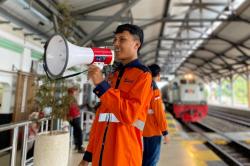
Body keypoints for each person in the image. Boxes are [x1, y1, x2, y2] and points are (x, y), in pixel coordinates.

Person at [79, 24, 153, 166]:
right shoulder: (114, 75)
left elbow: (129, 114)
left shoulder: (143, 76)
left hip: (124, 156)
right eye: (115, 40)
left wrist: (102, 85)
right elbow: (100, 118)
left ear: (136, 44)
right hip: (101, 156)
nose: (116, 44)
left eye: (122, 39)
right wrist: (88, 155)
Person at [142, 64, 169, 166]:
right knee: (152, 161)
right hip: (153, 131)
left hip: (142, 129)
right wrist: (165, 132)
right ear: (158, 75)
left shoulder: (143, 85)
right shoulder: (154, 89)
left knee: (144, 159)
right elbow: (159, 112)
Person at [68, 87, 85, 153]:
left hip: (75, 117)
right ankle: (80, 147)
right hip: (74, 117)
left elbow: (74, 108)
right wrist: (69, 116)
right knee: (79, 132)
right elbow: (70, 109)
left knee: (76, 131)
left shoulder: (72, 99)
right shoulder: (70, 99)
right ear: (72, 92)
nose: (76, 93)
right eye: (75, 91)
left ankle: (77, 145)